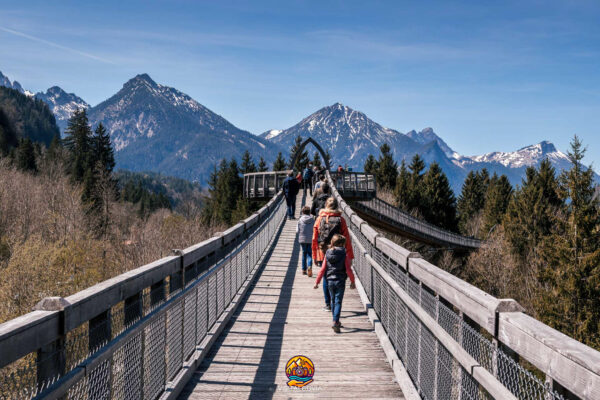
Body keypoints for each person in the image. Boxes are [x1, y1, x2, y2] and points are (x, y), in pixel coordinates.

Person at [312, 197, 354, 311]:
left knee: (326, 277)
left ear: (326, 205)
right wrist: (350, 256)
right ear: (337, 206)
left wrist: (314, 256)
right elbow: (347, 240)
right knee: (338, 275)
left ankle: (328, 304)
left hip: (322, 252)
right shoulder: (341, 220)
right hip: (339, 254)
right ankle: (335, 302)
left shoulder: (319, 218)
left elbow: (314, 238)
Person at [314, 234, 356, 332]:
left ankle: (335, 320)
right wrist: (352, 281)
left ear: (332, 242)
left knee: (332, 300)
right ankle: (335, 321)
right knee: (338, 301)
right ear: (343, 244)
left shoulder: (327, 253)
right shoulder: (344, 254)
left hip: (329, 281)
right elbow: (348, 269)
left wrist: (317, 282)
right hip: (340, 281)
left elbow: (323, 269)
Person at [296, 206, 315, 276]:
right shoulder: (313, 220)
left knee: (304, 254)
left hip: (302, 239)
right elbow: (314, 229)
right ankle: (309, 266)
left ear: (302, 212)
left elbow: (297, 231)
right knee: (309, 254)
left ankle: (304, 270)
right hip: (310, 239)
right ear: (309, 212)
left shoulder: (300, 220)